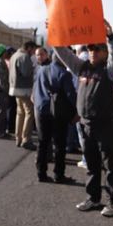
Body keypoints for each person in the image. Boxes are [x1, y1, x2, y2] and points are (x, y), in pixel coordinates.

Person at [53, 21, 113, 217]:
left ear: (105, 52)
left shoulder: (110, 71)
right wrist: (54, 33)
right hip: (86, 125)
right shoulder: (81, 67)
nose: (92, 51)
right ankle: (93, 198)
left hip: (105, 125)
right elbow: (64, 53)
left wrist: (110, 38)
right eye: (90, 48)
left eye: (97, 49)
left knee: (109, 166)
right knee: (92, 165)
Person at [31, 47, 77, 184]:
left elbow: (34, 92)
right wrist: (77, 112)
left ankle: (41, 173)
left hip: (41, 110)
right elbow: (71, 96)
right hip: (58, 113)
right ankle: (59, 174)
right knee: (59, 144)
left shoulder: (41, 70)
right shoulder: (64, 74)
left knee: (43, 143)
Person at [9, 41, 37, 150]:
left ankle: (18, 138)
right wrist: (33, 69)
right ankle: (26, 139)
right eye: (34, 50)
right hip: (24, 89)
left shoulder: (14, 55)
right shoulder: (25, 57)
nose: (34, 53)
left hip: (15, 89)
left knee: (20, 113)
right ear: (29, 48)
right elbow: (26, 73)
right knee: (29, 114)